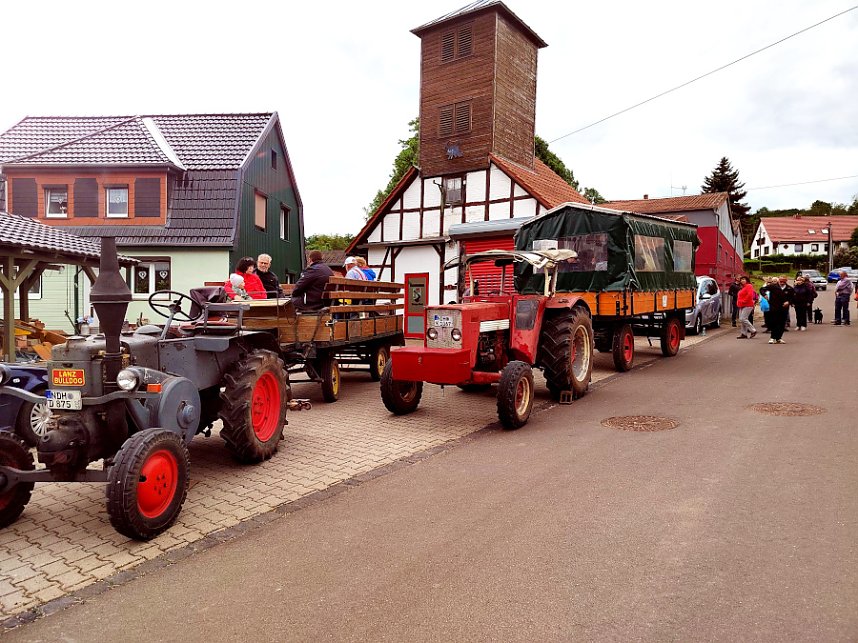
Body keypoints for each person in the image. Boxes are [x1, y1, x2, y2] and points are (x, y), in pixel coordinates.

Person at [766, 275, 791, 344]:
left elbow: (793, 298)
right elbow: (762, 289)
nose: (782, 282)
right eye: (780, 281)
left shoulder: (789, 288)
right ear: (778, 280)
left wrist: (789, 302)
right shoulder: (773, 286)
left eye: (783, 281)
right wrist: (764, 295)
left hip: (784, 309)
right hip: (774, 308)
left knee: (782, 324)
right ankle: (772, 337)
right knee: (774, 322)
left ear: (786, 280)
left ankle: (779, 338)